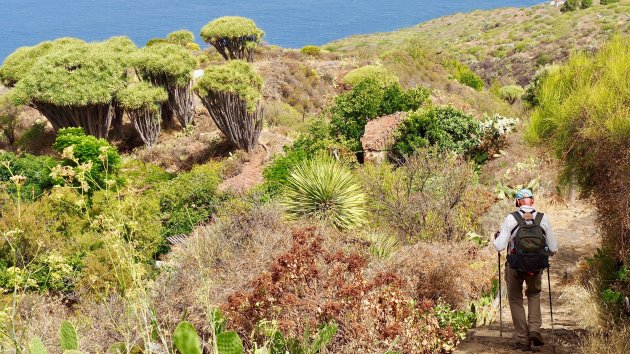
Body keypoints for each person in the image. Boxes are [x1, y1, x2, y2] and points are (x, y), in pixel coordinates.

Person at [494, 188, 558, 351]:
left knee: (515, 299)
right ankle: (535, 330)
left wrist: (496, 237)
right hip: (536, 266)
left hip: (515, 265)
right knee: (534, 294)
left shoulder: (511, 218)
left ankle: (523, 338)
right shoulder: (543, 219)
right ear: (533, 201)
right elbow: (553, 248)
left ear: (518, 202)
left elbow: (499, 246)